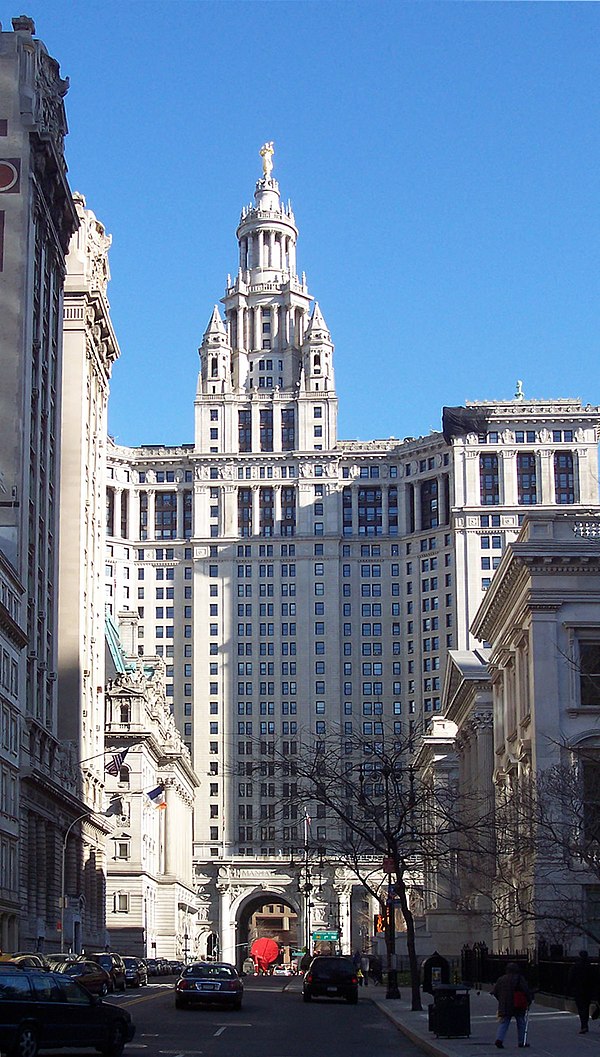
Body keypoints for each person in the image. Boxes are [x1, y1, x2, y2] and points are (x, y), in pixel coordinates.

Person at [492, 961, 533, 1049]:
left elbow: (495, 992)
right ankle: (521, 1041)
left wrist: (501, 1000)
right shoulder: (519, 978)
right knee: (521, 1022)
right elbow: (525, 990)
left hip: (505, 1004)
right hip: (518, 1004)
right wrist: (529, 999)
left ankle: (499, 1039)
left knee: (504, 1022)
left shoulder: (501, 979)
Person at [568, 950, 598, 1034]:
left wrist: (569, 989)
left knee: (581, 1007)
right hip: (588, 990)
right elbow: (595, 979)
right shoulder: (590, 967)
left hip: (578, 990)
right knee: (586, 1006)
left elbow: (570, 978)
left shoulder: (575, 967)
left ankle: (583, 1025)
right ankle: (585, 1024)